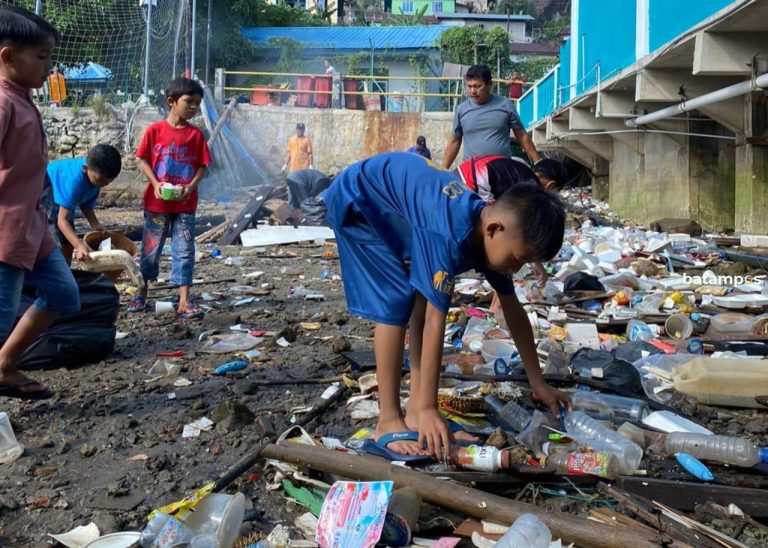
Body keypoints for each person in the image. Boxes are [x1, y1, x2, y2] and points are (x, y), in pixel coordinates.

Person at [325, 152, 571, 459]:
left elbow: (513, 309)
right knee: (396, 300)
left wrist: (538, 383)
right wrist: (433, 407)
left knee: (419, 296)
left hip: (394, 200)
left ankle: (416, 413)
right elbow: (433, 320)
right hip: (359, 200)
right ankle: (387, 421)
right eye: (517, 259)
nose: (516, 269)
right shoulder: (448, 233)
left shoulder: (489, 234)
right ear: (494, 229)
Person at [0, 7, 80, 400]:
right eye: (42, 57)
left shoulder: (22, 98)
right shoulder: (3, 104)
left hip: (33, 226)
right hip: (5, 232)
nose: (50, 68)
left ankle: (4, 366)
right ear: (8, 56)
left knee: (63, 293)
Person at [126, 77, 211, 319]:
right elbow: (141, 159)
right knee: (150, 250)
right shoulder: (155, 131)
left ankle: (184, 300)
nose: (194, 107)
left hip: (185, 206)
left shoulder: (196, 135)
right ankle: (142, 292)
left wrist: (191, 187)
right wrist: (155, 184)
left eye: (197, 103)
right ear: (171, 102)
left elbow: (203, 166)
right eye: (189, 102)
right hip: (157, 205)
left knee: (184, 251)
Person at [443, 64, 541, 170]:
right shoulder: (461, 109)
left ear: (490, 84)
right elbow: (455, 140)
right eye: (469, 86)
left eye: (477, 86)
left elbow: (521, 135)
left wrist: (538, 162)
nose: (473, 91)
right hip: (472, 172)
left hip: (502, 170)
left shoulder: (505, 105)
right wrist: (443, 169)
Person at [45, 144, 122, 264]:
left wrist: (95, 224)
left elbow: (86, 204)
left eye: (110, 180)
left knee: (68, 238)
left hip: (66, 198)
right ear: (86, 168)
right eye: (101, 180)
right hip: (47, 187)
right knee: (54, 235)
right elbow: (62, 221)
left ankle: (67, 268)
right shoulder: (74, 183)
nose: (105, 184)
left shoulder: (96, 180)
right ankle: (55, 267)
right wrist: (79, 245)